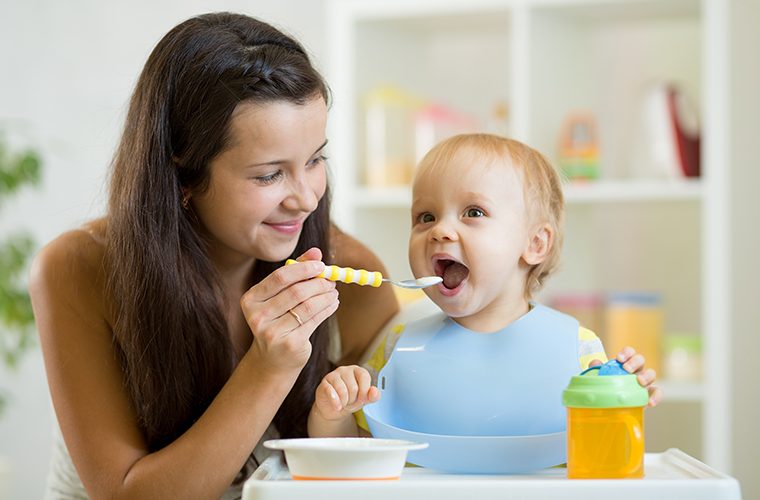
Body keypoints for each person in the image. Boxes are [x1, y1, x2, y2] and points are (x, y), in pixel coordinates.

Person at [29, 12, 398, 499]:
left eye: (314, 160)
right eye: (269, 175)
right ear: (182, 175)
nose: (306, 199)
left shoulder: (350, 275)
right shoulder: (78, 268)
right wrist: (269, 367)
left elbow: (379, 459)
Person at [308, 133, 662, 441]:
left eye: (473, 213)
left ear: (536, 244)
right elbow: (354, 450)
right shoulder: (397, 349)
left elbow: (603, 451)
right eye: (425, 217)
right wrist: (333, 414)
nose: (440, 231)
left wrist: (622, 400)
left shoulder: (577, 351)